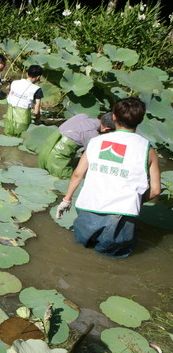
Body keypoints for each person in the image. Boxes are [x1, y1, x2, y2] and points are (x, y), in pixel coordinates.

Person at [56, 98, 161, 258]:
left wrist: (67, 199)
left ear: (113, 117)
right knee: (112, 258)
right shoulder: (147, 149)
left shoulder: (96, 141)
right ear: (140, 120)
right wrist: (135, 201)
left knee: (80, 252)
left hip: (88, 206)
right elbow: (155, 190)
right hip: (121, 214)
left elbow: (78, 174)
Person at [38, 113, 115, 179]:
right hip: (58, 156)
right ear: (107, 128)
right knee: (63, 181)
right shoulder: (92, 133)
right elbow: (95, 155)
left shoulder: (82, 116)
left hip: (46, 149)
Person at [3, 65, 43, 137]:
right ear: (38, 77)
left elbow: (7, 88)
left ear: (27, 74)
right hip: (22, 122)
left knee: (8, 137)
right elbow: (36, 112)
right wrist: (38, 119)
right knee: (21, 140)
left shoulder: (14, 83)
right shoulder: (37, 89)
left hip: (9, 119)